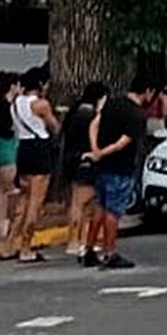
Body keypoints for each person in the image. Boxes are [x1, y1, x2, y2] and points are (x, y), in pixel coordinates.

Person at [85, 77, 164, 269]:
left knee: (100, 207)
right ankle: (109, 252)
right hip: (120, 167)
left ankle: (89, 249)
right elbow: (123, 142)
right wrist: (102, 153)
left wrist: (95, 149)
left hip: (103, 167)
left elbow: (94, 124)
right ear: (148, 91)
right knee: (113, 211)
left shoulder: (112, 103)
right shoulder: (137, 114)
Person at [4, 67, 60, 263]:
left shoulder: (15, 103)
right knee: (35, 202)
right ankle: (26, 247)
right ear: (40, 84)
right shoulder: (41, 104)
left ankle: (8, 245)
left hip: (23, 148)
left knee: (23, 199)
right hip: (39, 148)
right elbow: (54, 126)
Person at [63, 82, 108, 261]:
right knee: (83, 203)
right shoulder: (90, 116)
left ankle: (76, 240)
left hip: (72, 159)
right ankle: (78, 241)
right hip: (86, 160)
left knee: (77, 201)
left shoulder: (75, 112)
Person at [0, 72, 21, 239]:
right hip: (6, 145)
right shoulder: (6, 106)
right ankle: (4, 222)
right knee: (7, 187)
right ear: (12, 86)